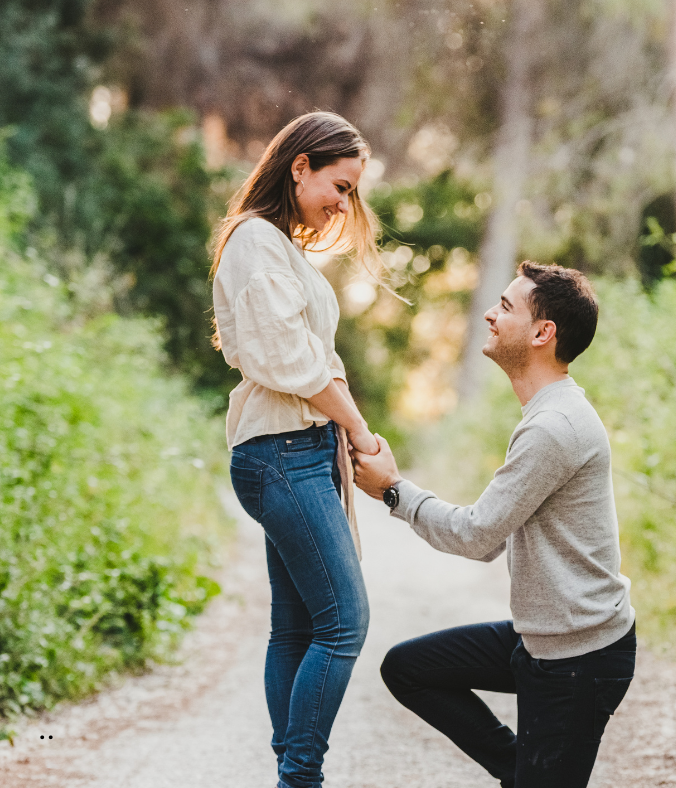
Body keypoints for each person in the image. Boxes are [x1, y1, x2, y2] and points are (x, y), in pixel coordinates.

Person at [353, 262, 676, 788]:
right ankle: (525, 775)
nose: (489, 313)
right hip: (541, 643)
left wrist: (393, 491)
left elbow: (478, 537)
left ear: (541, 333)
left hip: (582, 659)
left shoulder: (555, 426)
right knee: (410, 669)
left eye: (505, 307)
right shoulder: (546, 413)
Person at [210, 111, 381, 788]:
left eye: (351, 193)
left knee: (300, 626)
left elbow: (312, 360)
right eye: (338, 186)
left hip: (294, 450)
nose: (343, 205)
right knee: (345, 621)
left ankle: (292, 772)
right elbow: (299, 363)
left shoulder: (277, 244)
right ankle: (299, 778)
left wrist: (343, 429)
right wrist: (362, 431)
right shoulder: (255, 241)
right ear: (299, 165)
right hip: (281, 453)